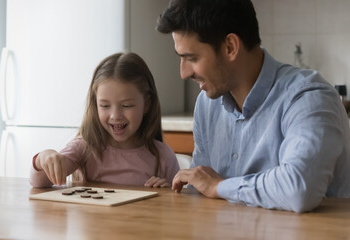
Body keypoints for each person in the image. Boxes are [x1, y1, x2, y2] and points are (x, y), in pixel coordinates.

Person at [156, 0, 350, 212]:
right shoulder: (207, 104)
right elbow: (202, 187)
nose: (183, 73)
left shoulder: (309, 96)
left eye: (191, 58)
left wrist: (219, 186)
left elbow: (299, 188)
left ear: (230, 47)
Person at [30, 52, 179, 188]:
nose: (115, 115)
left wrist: (166, 192)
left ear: (146, 104)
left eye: (126, 105)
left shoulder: (164, 156)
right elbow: (39, 183)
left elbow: (178, 206)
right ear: (96, 105)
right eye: (105, 105)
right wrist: (43, 158)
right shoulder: (85, 147)